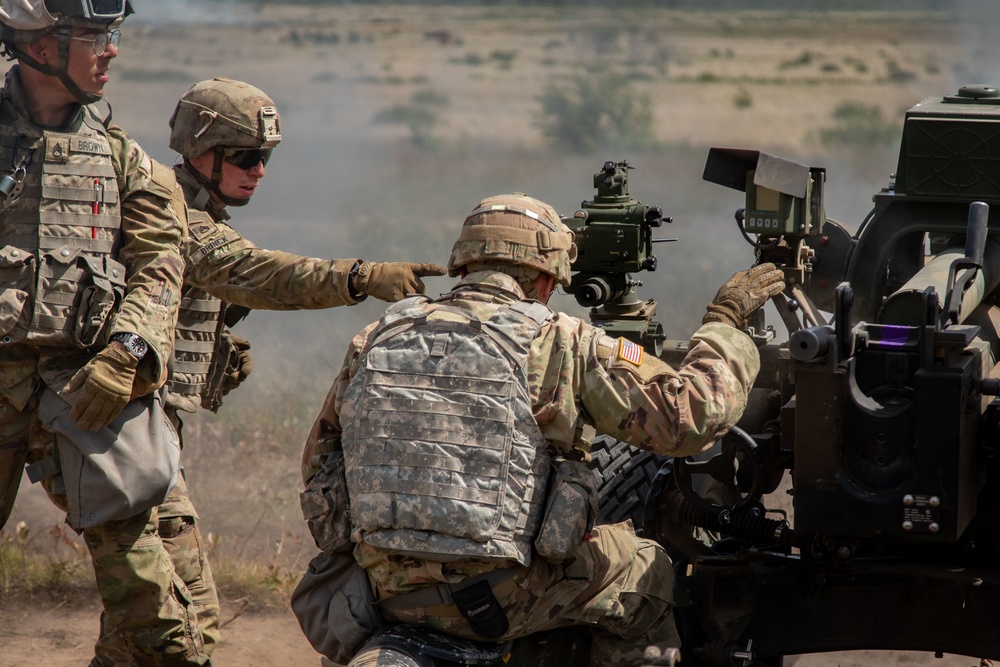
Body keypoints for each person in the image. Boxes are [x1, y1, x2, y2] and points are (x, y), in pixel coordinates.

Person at [295, 193, 785, 666]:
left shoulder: (379, 334)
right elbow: (689, 420)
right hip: (501, 600)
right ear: (546, 278)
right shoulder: (561, 341)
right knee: (649, 573)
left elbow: (318, 461)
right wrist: (725, 325)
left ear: (462, 266)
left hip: (382, 592)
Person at [91, 77, 448, 665]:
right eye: (246, 157)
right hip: (126, 439)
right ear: (200, 151)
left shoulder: (194, 209)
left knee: (151, 628)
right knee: (180, 625)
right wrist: (359, 277)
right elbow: (257, 273)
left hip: (144, 437)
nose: (259, 171)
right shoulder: (170, 213)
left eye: (266, 158)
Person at [0, 1, 208, 665]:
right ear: (40, 46)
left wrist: (129, 352)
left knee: (156, 621)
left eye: (112, 34)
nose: (110, 50)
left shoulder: (123, 159)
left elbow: (161, 265)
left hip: (88, 391)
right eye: (94, 35)